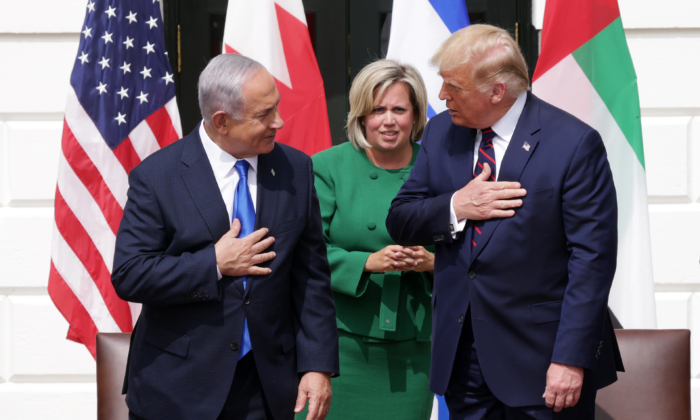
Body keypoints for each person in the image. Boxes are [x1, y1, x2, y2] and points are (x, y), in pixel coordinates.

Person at [386, 24, 624, 420]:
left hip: (543, 361)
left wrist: (569, 359)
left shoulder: (573, 143)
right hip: (463, 360)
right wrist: (456, 206)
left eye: (453, 86)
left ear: (497, 91)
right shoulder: (443, 131)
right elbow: (402, 218)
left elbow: (592, 260)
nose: (442, 96)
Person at [112, 53, 339, 420]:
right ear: (222, 121)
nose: (278, 122)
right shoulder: (157, 177)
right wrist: (214, 263)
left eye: (276, 108)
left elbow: (311, 275)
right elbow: (130, 274)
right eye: (264, 115)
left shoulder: (296, 168)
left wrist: (318, 365)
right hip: (179, 389)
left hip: (266, 387)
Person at [296, 60, 435, 420]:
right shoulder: (327, 166)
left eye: (399, 110)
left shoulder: (438, 167)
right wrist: (366, 263)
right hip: (339, 347)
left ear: (416, 114)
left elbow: (471, 250)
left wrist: (432, 262)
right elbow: (304, 252)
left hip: (413, 350)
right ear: (360, 115)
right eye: (377, 110)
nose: (389, 120)